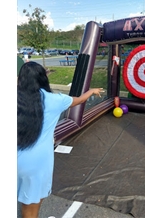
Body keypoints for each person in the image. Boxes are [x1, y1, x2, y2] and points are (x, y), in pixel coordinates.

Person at [17, 61, 104, 218]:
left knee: (24, 199)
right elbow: (79, 100)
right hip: (37, 163)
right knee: (31, 207)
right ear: (43, 78)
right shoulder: (56, 100)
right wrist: (91, 91)